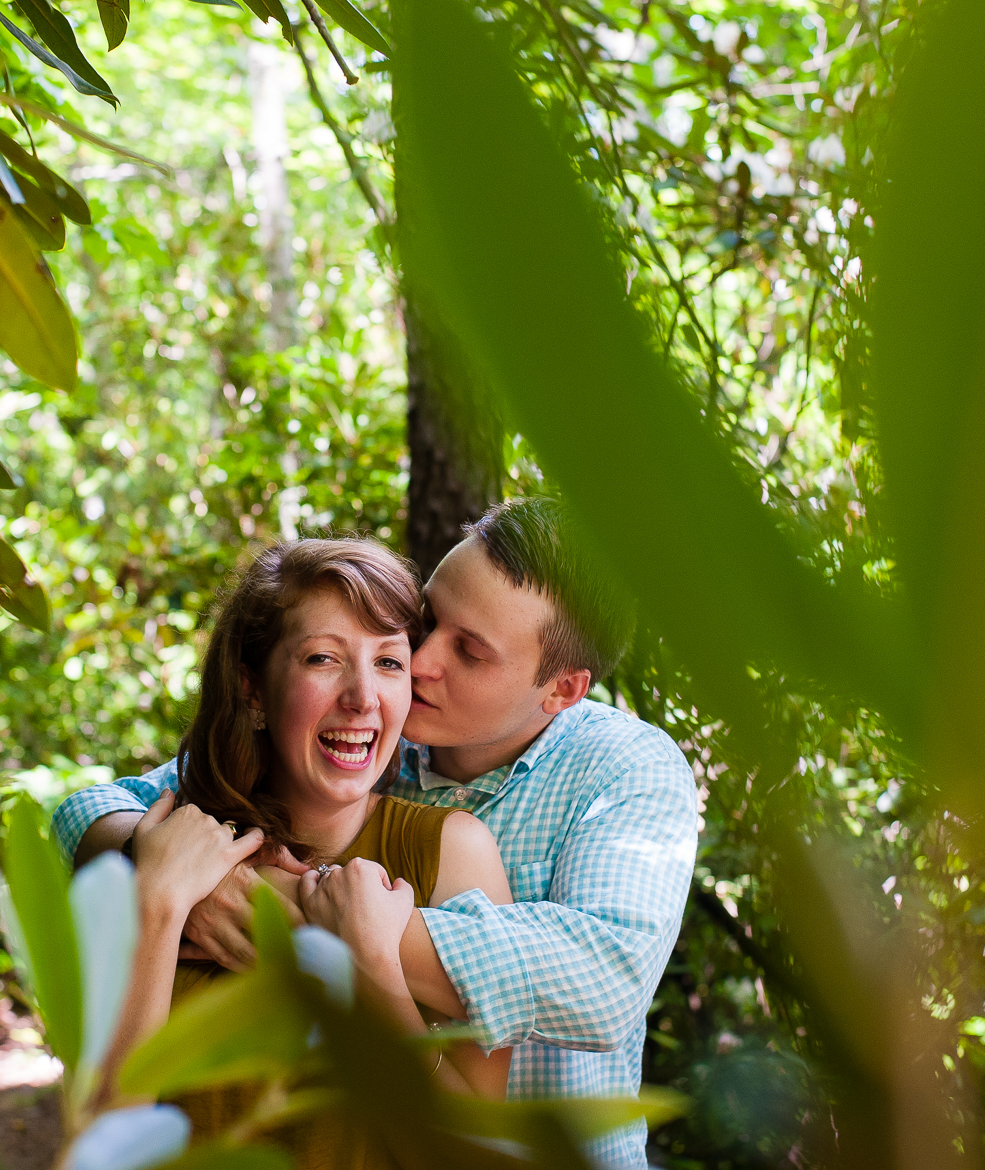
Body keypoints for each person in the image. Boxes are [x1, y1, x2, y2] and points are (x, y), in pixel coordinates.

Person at [62, 498, 701, 1169]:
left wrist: (326, 921)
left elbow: (606, 981)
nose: (418, 660)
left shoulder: (622, 768)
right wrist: (159, 867)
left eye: (469, 650)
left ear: (561, 691)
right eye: (427, 621)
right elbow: (98, 809)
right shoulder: (359, 746)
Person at [100, 537, 515, 1164]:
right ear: (253, 689)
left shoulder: (452, 852)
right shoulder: (174, 845)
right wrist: (157, 902)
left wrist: (373, 967)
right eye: (324, 658)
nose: (362, 697)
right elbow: (104, 1141)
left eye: (389, 663)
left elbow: (476, 1149)